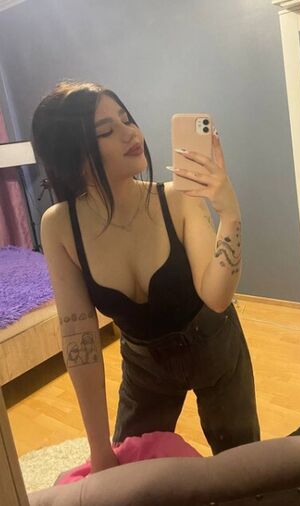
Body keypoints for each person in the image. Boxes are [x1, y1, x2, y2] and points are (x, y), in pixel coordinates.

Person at [32, 80, 260, 473]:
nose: (131, 133)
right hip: (144, 365)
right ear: (73, 156)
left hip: (215, 345)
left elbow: (216, 296)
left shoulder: (176, 198)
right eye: (107, 130)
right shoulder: (60, 227)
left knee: (243, 467)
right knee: (130, 472)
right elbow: (79, 338)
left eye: (126, 119)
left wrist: (230, 213)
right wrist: (98, 448)